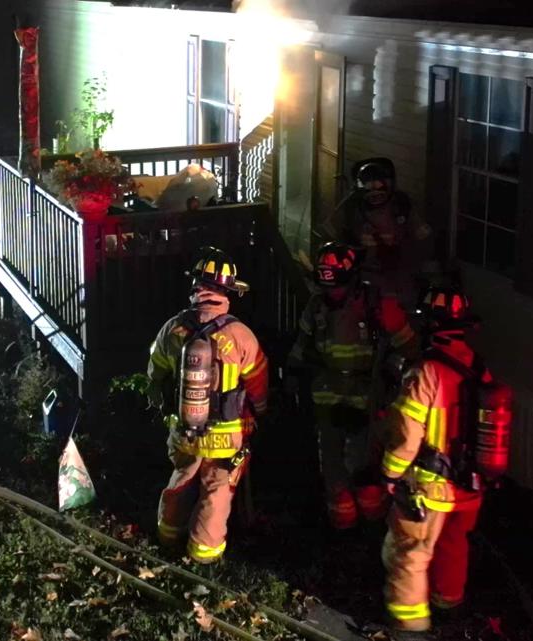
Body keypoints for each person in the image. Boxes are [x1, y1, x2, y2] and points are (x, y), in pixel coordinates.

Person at [380, 285, 508, 632]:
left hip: (429, 489)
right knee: (454, 545)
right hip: (469, 487)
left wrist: (391, 475)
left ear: (430, 325)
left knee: (409, 555)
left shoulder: (425, 372)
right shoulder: (479, 368)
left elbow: (407, 434)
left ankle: (410, 628)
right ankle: (448, 605)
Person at [148, 247, 269, 564]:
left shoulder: (172, 329)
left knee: (181, 479)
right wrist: (261, 412)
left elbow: (155, 375)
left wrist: (164, 409)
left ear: (195, 287)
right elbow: (258, 384)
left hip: (184, 429)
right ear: (227, 291)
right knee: (216, 492)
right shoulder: (241, 335)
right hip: (225, 436)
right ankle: (204, 559)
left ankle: (167, 537)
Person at [286, 242, 419, 530]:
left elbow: (408, 347)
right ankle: (342, 524)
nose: (331, 294)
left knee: (364, 465)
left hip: (366, 398)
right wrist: (292, 376)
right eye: (326, 286)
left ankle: (372, 524)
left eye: (336, 287)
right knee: (332, 464)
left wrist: (389, 373)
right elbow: (302, 345)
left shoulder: (377, 305)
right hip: (327, 396)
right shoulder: (317, 305)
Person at [319, 158, 435, 308]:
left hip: (398, 276)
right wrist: (352, 245)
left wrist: (407, 251)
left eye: (379, 189)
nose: (375, 194)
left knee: (398, 318)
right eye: (369, 190)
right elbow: (329, 234)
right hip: (360, 276)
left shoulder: (402, 205)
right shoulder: (351, 207)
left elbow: (424, 240)